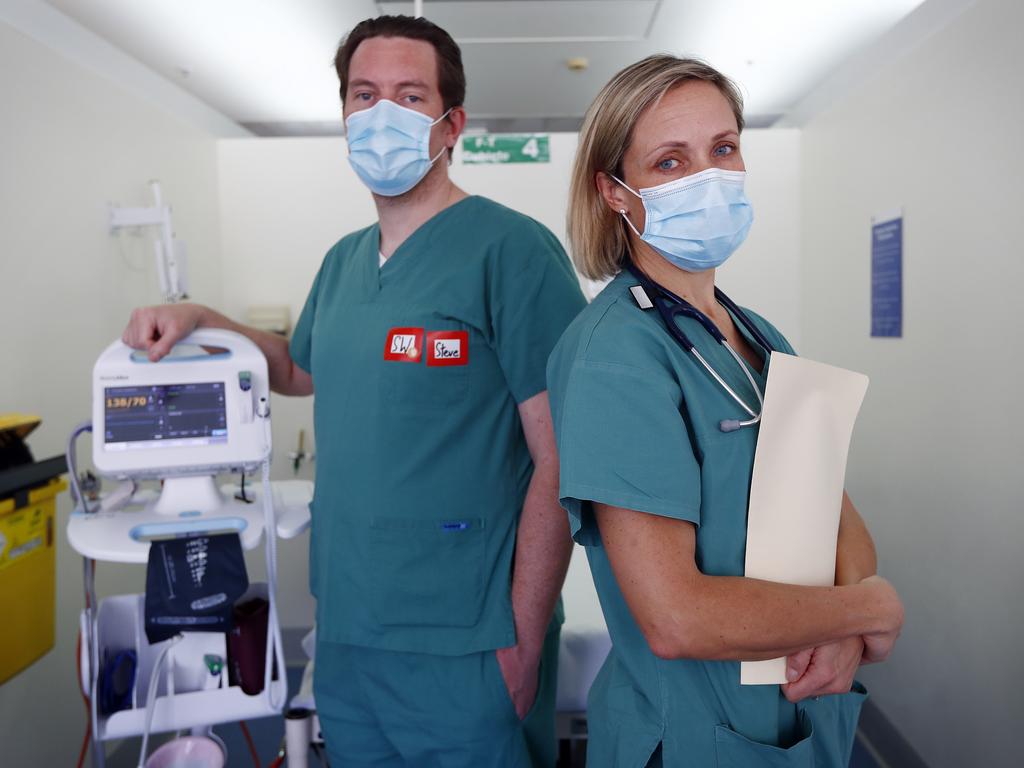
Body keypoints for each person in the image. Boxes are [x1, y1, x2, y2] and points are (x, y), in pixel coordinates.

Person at [122, 15, 586, 767]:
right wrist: (203, 319)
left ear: (450, 123)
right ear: (342, 116)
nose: (382, 117)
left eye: (408, 97)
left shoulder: (513, 253)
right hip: (347, 637)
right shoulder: (342, 263)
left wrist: (524, 638)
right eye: (364, 96)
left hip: (468, 643)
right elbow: (302, 368)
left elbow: (562, 459)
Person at [545, 55, 904, 767]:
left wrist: (841, 629)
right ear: (615, 192)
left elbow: (839, 518)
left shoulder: (760, 337)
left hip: (788, 722)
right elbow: (677, 618)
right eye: (670, 161)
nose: (707, 178)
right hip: (688, 739)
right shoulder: (614, 358)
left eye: (723, 149)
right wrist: (870, 610)